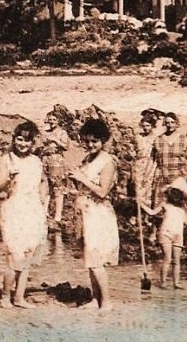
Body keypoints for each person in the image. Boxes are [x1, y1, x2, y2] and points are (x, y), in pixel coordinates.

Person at [0, 121, 47, 309]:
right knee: (14, 254)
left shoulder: (36, 161)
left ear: (33, 143)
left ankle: (19, 297)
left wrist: (43, 200)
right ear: (14, 139)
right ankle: (5, 296)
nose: (23, 144)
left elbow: (42, 181)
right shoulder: (6, 160)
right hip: (14, 208)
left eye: (27, 141)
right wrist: (8, 178)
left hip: (32, 209)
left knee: (27, 254)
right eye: (20, 140)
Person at [69, 118, 118, 311]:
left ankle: (107, 302)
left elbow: (103, 191)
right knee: (89, 258)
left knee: (96, 258)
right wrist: (75, 180)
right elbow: (84, 186)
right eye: (87, 141)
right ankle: (95, 299)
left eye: (94, 141)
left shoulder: (107, 162)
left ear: (103, 140)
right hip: (86, 211)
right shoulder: (87, 159)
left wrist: (82, 178)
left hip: (99, 213)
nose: (90, 145)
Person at [140, 180, 187, 289]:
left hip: (178, 235)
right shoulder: (165, 205)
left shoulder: (182, 209)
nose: (164, 197)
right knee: (167, 259)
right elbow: (152, 212)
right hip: (165, 234)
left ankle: (176, 283)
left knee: (176, 260)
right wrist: (141, 204)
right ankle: (163, 282)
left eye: (166, 195)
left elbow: (185, 221)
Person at [40, 112, 70, 229]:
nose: (52, 121)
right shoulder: (46, 132)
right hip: (45, 159)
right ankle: (44, 211)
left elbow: (66, 146)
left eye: (54, 119)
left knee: (58, 188)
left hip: (56, 160)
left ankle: (58, 215)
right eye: (50, 119)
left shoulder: (62, 132)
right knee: (46, 187)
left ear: (58, 121)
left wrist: (55, 140)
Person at [152, 112, 187, 204]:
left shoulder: (183, 139)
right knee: (162, 204)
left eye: (172, 122)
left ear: (177, 123)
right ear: (164, 124)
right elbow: (153, 159)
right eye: (167, 123)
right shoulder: (158, 139)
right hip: (162, 175)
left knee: (178, 203)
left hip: (178, 175)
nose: (170, 125)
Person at [132, 111, 160, 213]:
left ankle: (148, 215)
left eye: (148, 125)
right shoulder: (138, 137)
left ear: (152, 126)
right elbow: (134, 151)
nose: (145, 128)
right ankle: (139, 212)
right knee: (138, 189)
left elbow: (155, 155)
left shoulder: (156, 138)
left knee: (149, 189)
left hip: (151, 164)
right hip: (138, 165)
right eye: (143, 126)